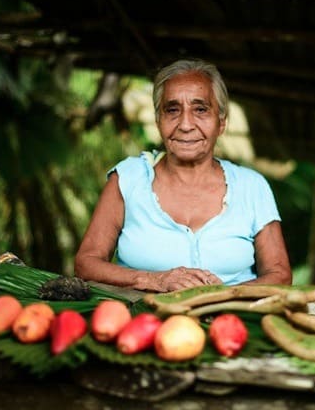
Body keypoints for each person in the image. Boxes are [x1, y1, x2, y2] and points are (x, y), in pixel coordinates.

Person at [74, 59, 292, 292]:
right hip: (143, 323)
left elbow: (279, 274)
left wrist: (222, 297)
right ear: (158, 121)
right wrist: (154, 280)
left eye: (200, 110)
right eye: (172, 110)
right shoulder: (127, 179)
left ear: (221, 123)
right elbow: (86, 264)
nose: (186, 124)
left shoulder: (252, 186)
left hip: (232, 322)